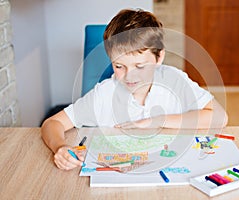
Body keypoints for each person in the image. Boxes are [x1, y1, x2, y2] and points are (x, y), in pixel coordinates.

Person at [41, 9, 228, 170]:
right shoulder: (105, 94)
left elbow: (220, 117)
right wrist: (60, 147)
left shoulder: (174, 80)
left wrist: (157, 121)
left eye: (140, 66)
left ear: (159, 57)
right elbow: (52, 124)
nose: (130, 76)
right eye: (119, 66)